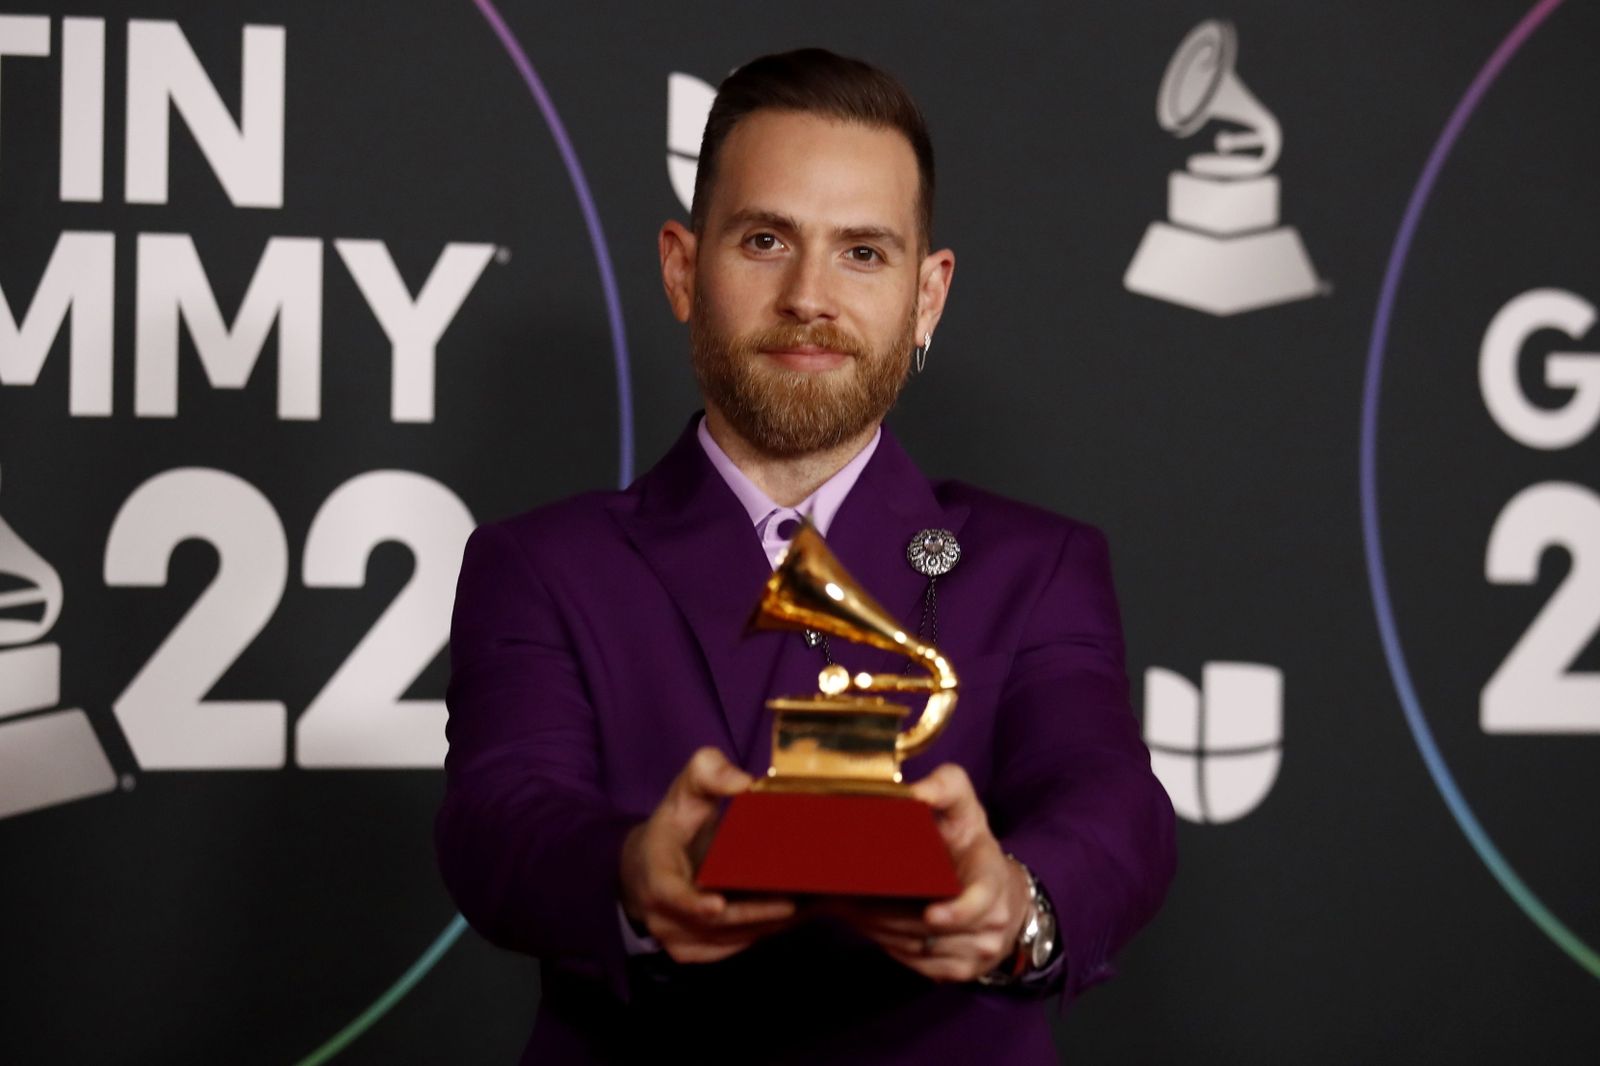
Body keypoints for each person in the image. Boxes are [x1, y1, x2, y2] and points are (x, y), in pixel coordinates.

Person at [437, 48, 1175, 1065]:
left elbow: (1114, 802)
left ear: (927, 295)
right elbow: (498, 820)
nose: (808, 296)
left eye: (862, 253)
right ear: (682, 269)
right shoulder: (540, 564)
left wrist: (1018, 904)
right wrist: (631, 873)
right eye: (765, 239)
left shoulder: (1035, 564)